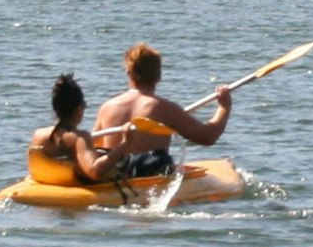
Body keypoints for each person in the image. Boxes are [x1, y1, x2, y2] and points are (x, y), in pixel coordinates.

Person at [92, 42, 235, 180]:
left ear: (128, 72)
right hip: (149, 180)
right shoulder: (165, 109)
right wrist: (224, 107)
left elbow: (92, 146)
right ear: (159, 76)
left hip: (114, 177)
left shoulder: (107, 107)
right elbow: (208, 136)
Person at [26, 74, 135, 185]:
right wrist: (125, 143)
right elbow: (95, 171)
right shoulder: (80, 138)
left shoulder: (38, 134)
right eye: (84, 105)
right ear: (79, 108)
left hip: (49, 184)